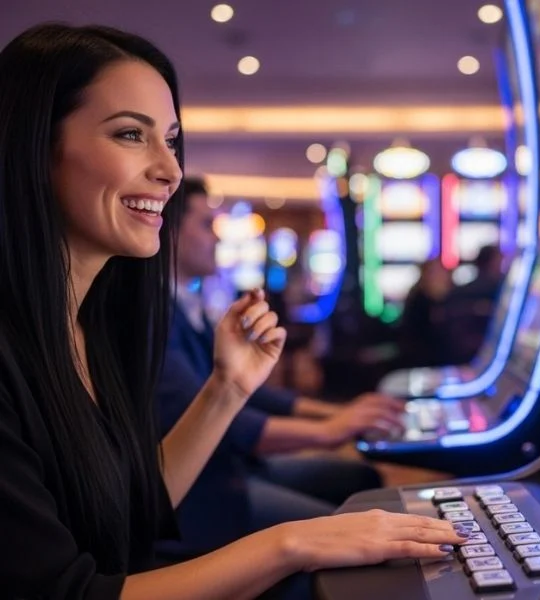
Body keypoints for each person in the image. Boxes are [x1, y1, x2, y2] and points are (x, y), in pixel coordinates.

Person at [0, 23, 468, 600]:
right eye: (130, 134)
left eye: (171, 140)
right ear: (33, 148)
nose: (171, 171)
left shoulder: (91, 327)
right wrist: (290, 543)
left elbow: (135, 514)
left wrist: (229, 385)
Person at [159, 177, 407, 552]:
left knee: (361, 478)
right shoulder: (154, 315)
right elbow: (214, 417)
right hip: (202, 493)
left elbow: (251, 395)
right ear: (170, 231)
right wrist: (328, 431)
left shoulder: (186, 305)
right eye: (207, 225)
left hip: (233, 467)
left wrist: (334, 413)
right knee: (347, 533)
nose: (218, 238)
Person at [397, 258, 452, 367]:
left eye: (442, 272)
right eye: (435, 273)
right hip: (421, 359)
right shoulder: (418, 300)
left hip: (444, 360)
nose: (441, 276)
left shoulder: (451, 299)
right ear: (425, 275)